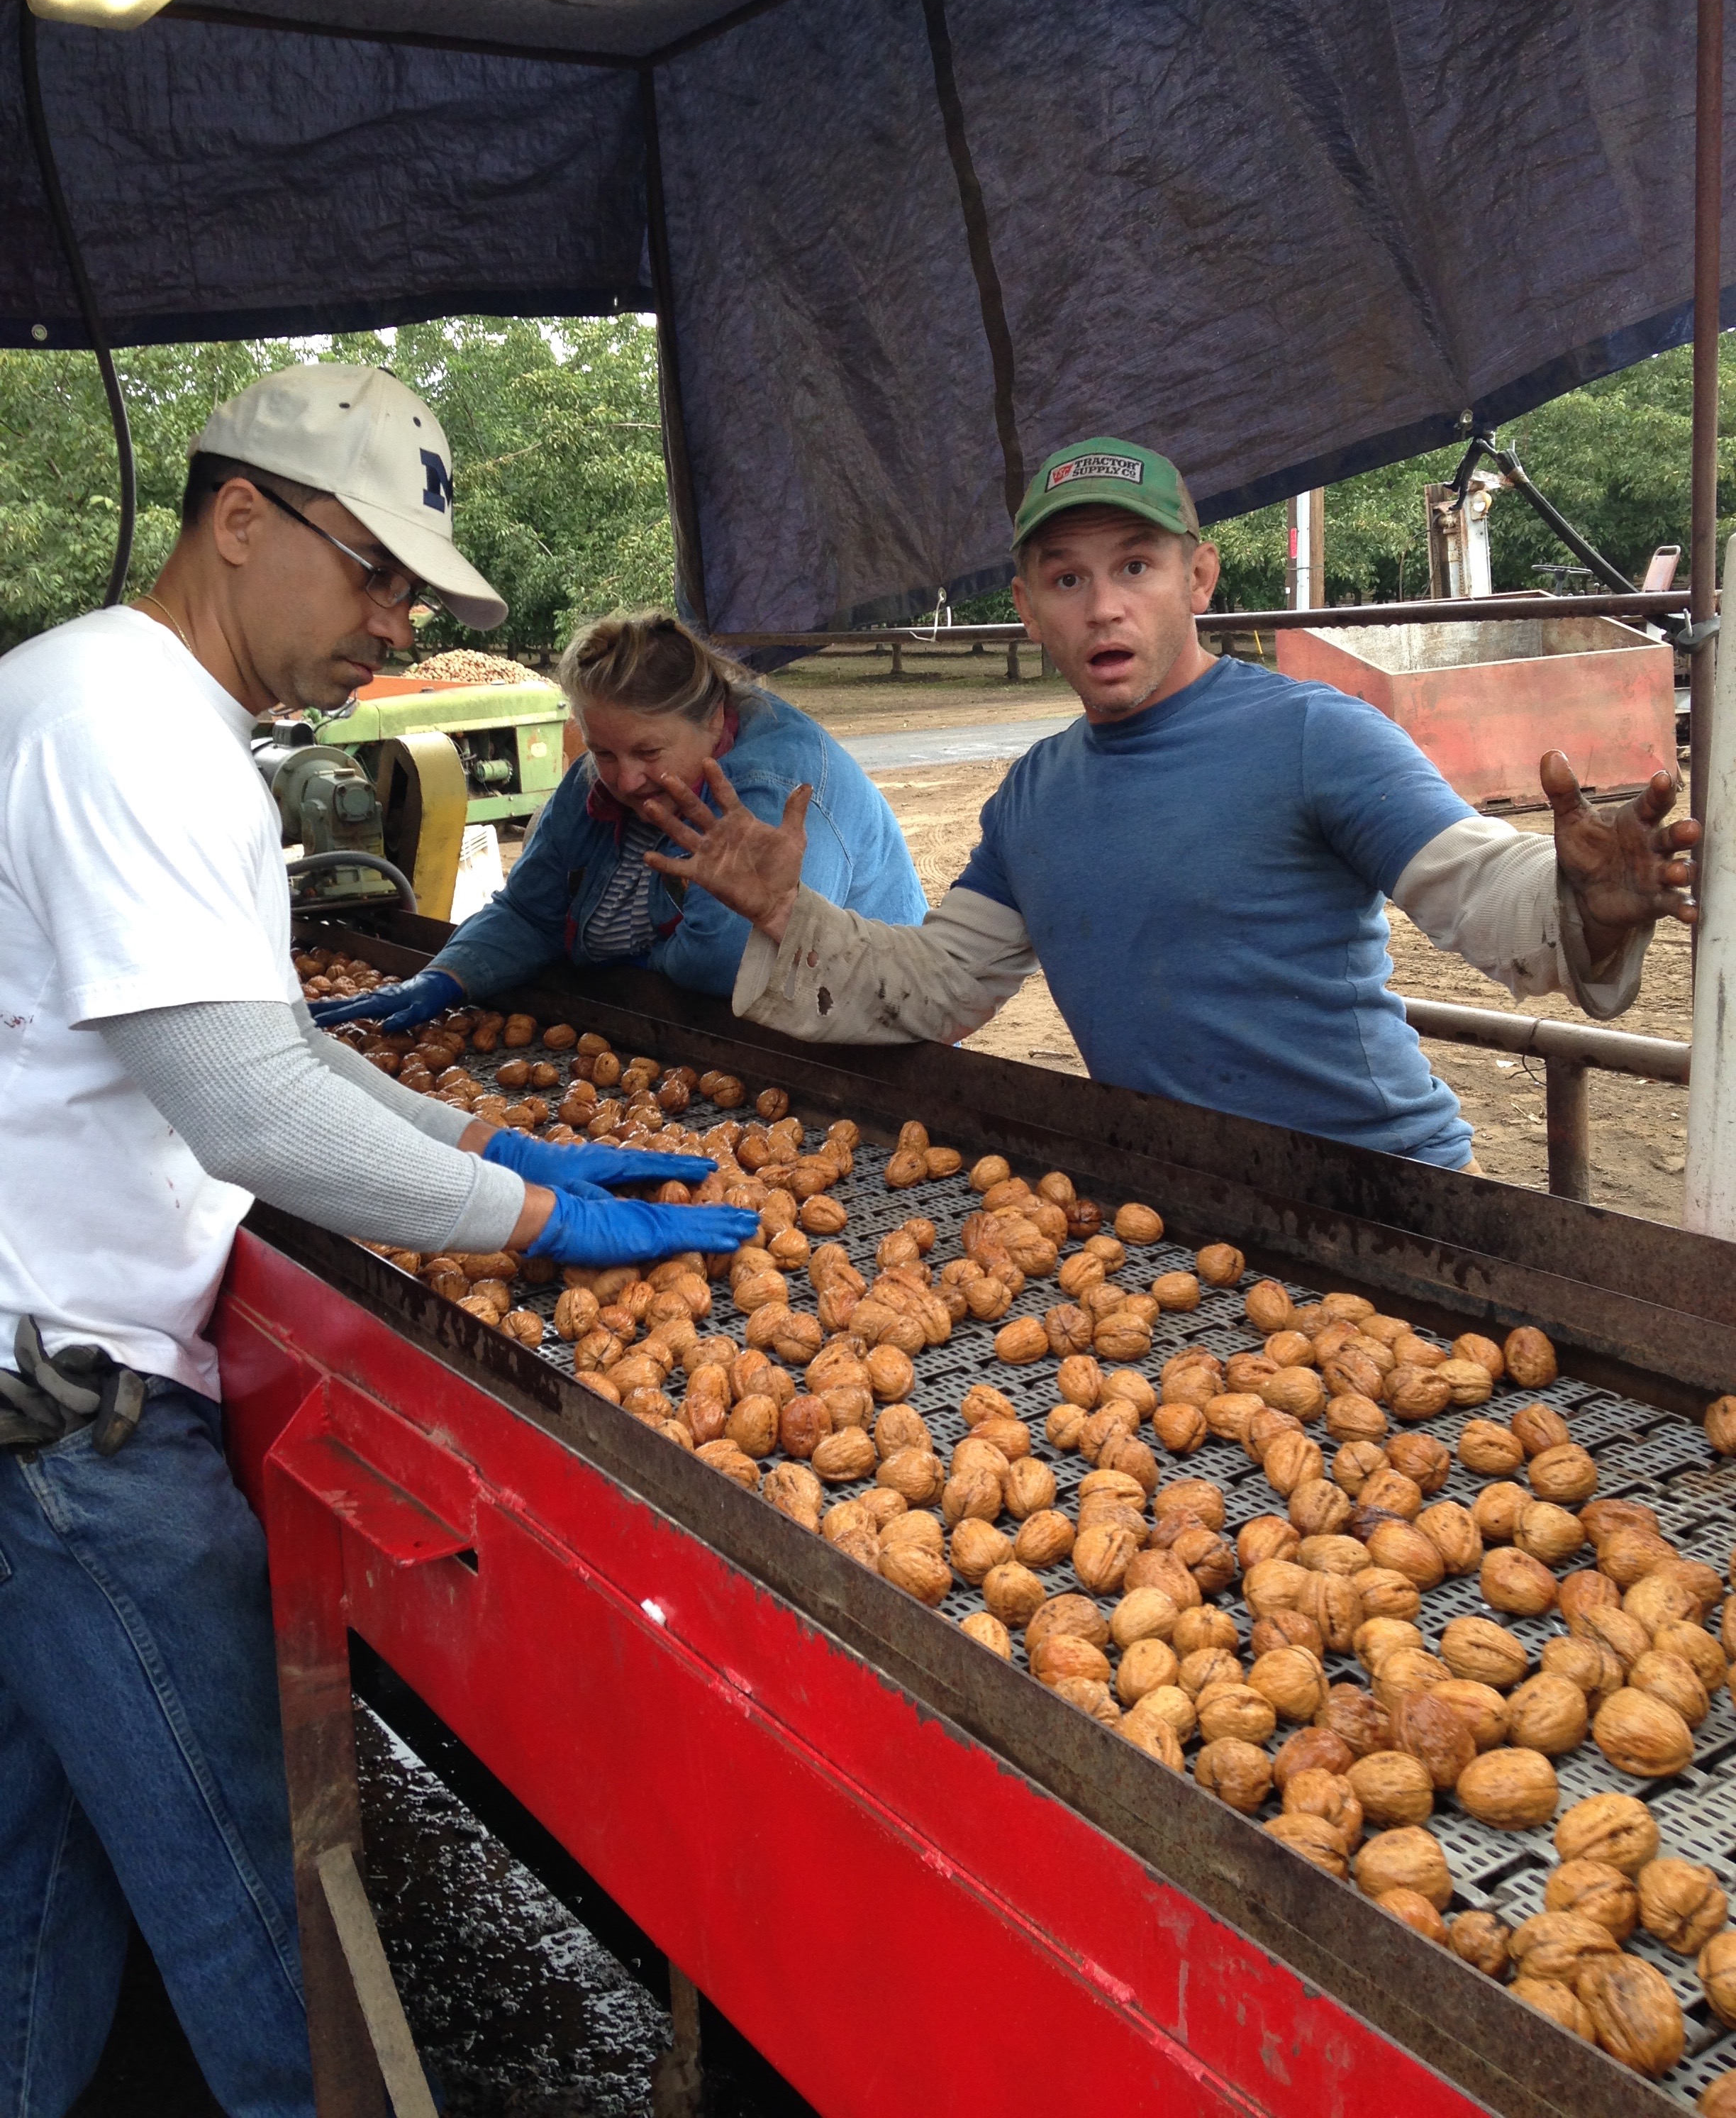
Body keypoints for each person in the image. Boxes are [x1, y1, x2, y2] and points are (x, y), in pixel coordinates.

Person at [0, 363, 757, 2118]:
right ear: (239, 517)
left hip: (30, 1378)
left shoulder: (98, 690)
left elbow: (257, 1049)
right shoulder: (129, 730)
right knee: (260, 1904)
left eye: (415, 592)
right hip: (67, 1424)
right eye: (375, 574)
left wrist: (487, 1139)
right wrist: (535, 1219)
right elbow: (253, 1116)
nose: (395, 623)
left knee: (38, 1880)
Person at [634, 436, 1698, 1170]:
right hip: (1182, 1198)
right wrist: (789, 913)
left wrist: (1578, 896)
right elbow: (940, 985)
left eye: (1136, 566)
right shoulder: (1033, 798)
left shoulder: (1313, 736)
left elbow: (1472, 883)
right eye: (1067, 579)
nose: (1104, 606)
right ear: (1028, 609)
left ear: (1198, 579)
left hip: (1387, 1189)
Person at [310, 612, 926, 1038]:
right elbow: (530, 911)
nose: (625, 779)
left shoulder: (771, 790)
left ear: (715, 721)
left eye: (648, 753)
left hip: (863, 1031)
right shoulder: (596, 782)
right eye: (603, 751)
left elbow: (731, 965)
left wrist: (615, 964)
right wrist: (448, 974)